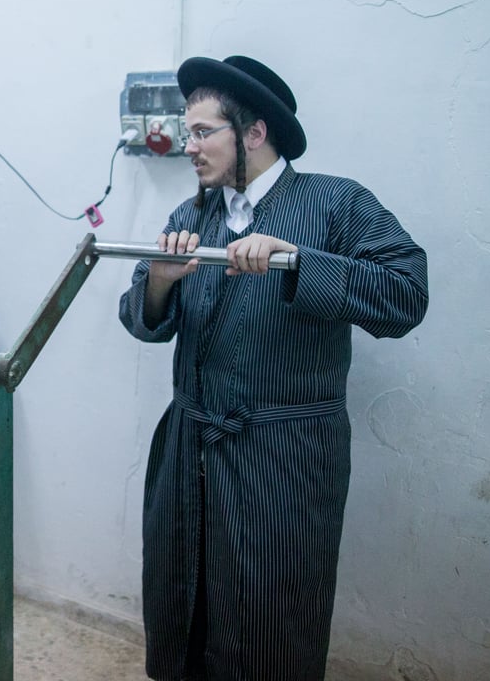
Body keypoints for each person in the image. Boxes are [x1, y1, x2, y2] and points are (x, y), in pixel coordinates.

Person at [118, 55, 428, 680]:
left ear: (254, 133)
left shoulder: (334, 203)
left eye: (203, 131)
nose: (190, 145)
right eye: (187, 130)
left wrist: (298, 260)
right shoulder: (191, 216)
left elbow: (406, 293)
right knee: (186, 607)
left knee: (272, 624)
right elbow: (140, 317)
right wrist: (159, 277)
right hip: (190, 452)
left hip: (284, 462)